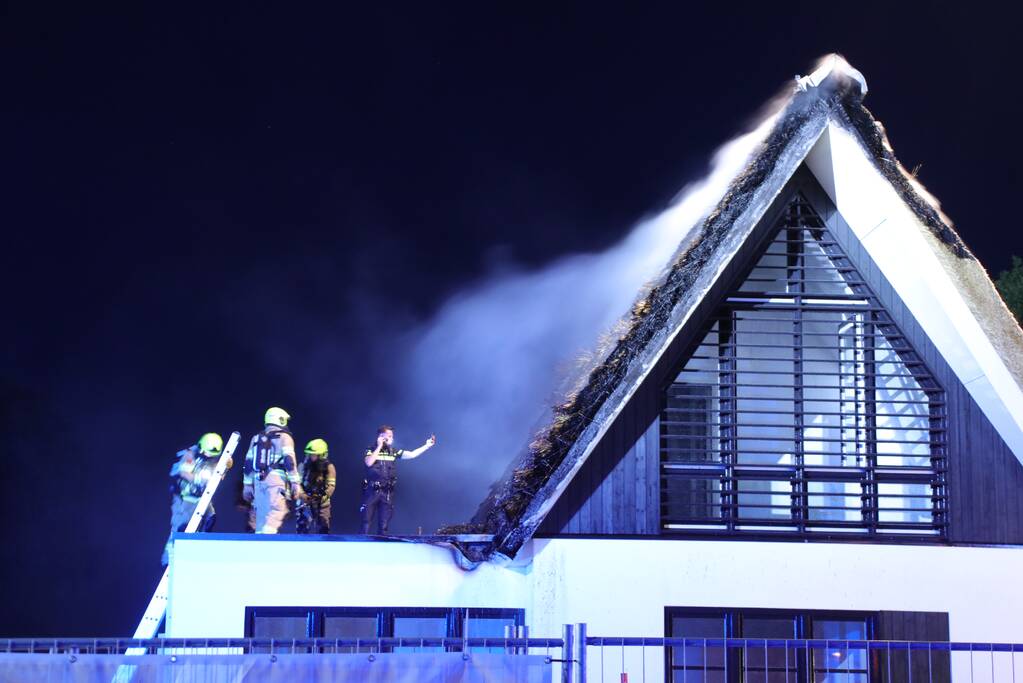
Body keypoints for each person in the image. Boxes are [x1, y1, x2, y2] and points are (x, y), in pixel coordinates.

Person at [163, 432, 226, 565]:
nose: (209, 456)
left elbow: (221, 467)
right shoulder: (190, 454)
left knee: (210, 518)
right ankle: (168, 560)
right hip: (184, 497)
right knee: (181, 527)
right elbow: (183, 472)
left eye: (212, 455)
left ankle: (197, 546)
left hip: (200, 497)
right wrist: (199, 480)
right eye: (207, 453)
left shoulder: (213, 458)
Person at [360, 425, 435, 534]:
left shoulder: (393, 451)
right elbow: (369, 462)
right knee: (365, 523)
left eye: (392, 436)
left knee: (384, 526)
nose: (392, 438)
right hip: (372, 491)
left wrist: (427, 446)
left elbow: (412, 454)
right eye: (389, 436)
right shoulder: (370, 449)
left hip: (387, 492)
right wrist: (379, 446)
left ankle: (382, 547)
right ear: (381, 436)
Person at [242, 407, 304, 534]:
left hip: (258, 480)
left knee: (261, 516)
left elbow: (248, 463)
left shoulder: (256, 438)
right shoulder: (285, 437)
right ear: (280, 419)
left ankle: (260, 542)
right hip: (276, 480)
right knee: (278, 510)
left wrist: (247, 485)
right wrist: (295, 483)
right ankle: (268, 535)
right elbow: (289, 461)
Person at [297, 438, 336, 534]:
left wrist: (322, 497)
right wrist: (304, 496)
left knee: (323, 528)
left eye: (313, 455)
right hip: (305, 502)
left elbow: (331, 486)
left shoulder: (329, 468)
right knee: (302, 528)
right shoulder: (303, 466)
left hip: (323, 504)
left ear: (322, 455)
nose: (310, 457)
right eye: (309, 454)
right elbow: (297, 484)